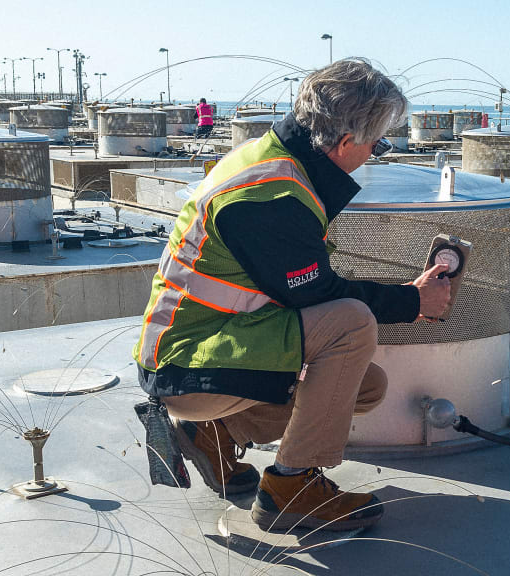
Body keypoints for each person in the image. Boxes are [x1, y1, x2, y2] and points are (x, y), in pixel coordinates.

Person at [134, 59, 451, 532]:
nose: (374, 154)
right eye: (377, 144)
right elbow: (316, 294)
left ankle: (214, 433)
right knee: (350, 323)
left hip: (204, 346)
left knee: (366, 386)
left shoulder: (274, 159)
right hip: (189, 365)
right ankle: (291, 488)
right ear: (345, 143)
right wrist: (412, 301)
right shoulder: (272, 194)